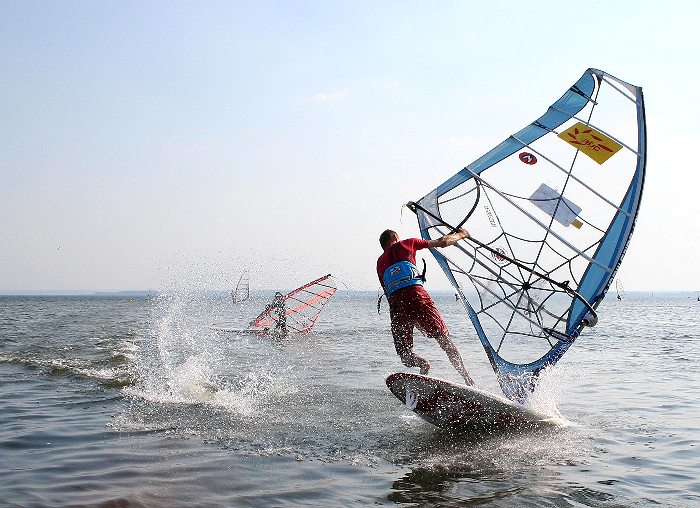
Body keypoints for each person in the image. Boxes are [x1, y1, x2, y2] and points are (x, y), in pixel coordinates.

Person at [377, 229, 475, 386]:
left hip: (396, 306)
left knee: (405, 356)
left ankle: (423, 365)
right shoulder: (407, 244)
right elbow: (443, 242)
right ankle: (468, 380)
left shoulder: (379, 262)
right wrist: (462, 234)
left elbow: (389, 293)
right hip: (418, 297)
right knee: (443, 339)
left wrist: (411, 321)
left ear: (383, 246)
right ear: (396, 237)